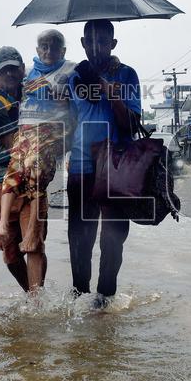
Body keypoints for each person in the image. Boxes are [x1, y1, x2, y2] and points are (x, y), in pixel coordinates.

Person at [67, 19, 142, 308]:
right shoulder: (74, 78)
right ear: (83, 43)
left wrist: (108, 90)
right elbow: (68, 123)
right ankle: (79, 299)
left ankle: (104, 301)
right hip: (81, 167)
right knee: (80, 239)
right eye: (91, 41)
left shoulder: (127, 75)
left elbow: (131, 124)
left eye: (102, 41)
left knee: (113, 238)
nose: (96, 47)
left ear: (113, 44)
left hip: (117, 168)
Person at [0, 30, 76, 293]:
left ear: (63, 51)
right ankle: (3, 225)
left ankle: (31, 232)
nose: (48, 51)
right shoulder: (27, 72)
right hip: (27, 132)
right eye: (44, 46)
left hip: (54, 131)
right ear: (37, 49)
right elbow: (4, 82)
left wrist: (65, 97)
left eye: (54, 47)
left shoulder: (71, 71)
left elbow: (88, 89)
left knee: (35, 163)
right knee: (15, 168)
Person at [0, 46, 46, 292]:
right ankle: (31, 294)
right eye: (3, 71)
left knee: (34, 241)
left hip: (30, 174)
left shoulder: (31, 90)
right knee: (9, 250)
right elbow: (15, 149)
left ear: (22, 69)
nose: (9, 74)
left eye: (13, 69)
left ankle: (37, 302)